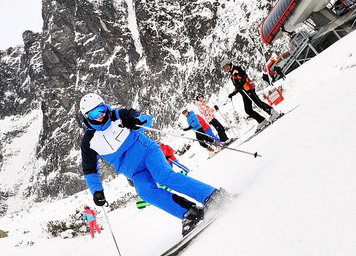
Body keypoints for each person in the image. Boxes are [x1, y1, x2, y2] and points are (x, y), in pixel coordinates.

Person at [79, 93, 227, 235]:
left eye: (101, 109)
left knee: (164, 177)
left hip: (148, 152)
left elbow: (146, 119)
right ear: (87, 117)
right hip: (135, 172)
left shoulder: (118, 115)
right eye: (93, 114)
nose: (100, 115)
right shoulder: (89, 142)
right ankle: (189, 212)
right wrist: (96, 190)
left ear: (105, 106)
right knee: (145, 192)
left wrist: (136, 122)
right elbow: (89, 169)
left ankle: (212, 195)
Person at [221, 59, 279, 130]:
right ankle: (261, 120)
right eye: (224, 68)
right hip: (244, 93)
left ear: (230, 64)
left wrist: (241, 84)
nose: (226, 69)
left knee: (258, 102)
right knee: (248, 110)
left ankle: (273, 113)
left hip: (248, 89)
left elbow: (244, 76)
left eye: (226, 66)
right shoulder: (231, 74)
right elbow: (237, 85)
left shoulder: (236, 69)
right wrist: (233, 93)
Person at [136, 144, 192, 209]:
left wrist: (169, 155)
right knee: (168, 171)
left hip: (171, 158)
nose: (158, 144)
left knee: (178, 165)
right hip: (165, 162)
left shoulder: (165, 146)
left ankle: (187, 170)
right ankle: (170, 179)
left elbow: (170, 150)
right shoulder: (158, 150)